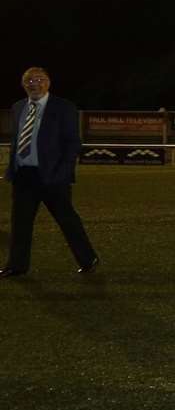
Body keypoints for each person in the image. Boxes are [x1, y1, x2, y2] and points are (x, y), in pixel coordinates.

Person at [3, 68, 99, 279]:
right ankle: (16, 265)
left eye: (39, 79)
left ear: (48, 83)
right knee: (20, 223)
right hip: (24, 176)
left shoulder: (63, 107)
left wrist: (62, 173)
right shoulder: (18, 107)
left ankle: (87, 259)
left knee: (67, 220)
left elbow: (72, 143)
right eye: (28, 80)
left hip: (52, 176)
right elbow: (17, 140)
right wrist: (12, 169)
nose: (34, 83)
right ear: (23, 84)